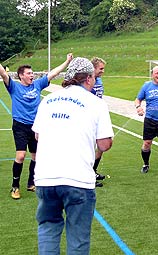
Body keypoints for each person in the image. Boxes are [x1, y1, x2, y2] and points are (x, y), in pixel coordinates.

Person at [32, 57, 114, 254]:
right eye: (94, 77)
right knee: (78, 237)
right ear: (87, 78)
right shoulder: (96, 103)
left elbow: (37, 134)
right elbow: (104, 144)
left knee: (48, 230)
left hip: (45, 178)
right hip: (77, 180)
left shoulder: (48, 100)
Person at [0, 53, 73, 200]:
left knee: (36, 156)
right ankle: (15, 186)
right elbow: (2, 72)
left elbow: (53, 73)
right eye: (28, 73)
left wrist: (67, 61)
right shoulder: (13, 87)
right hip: (20, 126)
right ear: (21, 76)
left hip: (36, 126)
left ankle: (31, 183)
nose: (32, 75)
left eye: (32, 73)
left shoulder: (37, 85)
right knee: (20, 156)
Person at [90, 57, 107, 187]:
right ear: (93, 68)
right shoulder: (87, 81)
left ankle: (93, 171)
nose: (103, 71)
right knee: (90, 147)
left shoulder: (99, 80)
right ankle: (88, 176)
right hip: (89, 119)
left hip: (98, 117)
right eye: (101, 68)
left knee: (101, 146)